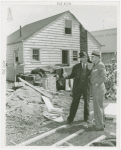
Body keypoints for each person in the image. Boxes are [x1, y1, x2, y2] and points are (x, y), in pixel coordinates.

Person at [63, 51, 93, 124]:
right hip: (77, 87)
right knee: (74, 102)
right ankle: (70, 119)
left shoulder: (91, 65)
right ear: (80, 59)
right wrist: (66, 76)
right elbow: (72, 75)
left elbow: (94, 75)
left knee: (87, 103)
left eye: (86, 57)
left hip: (87, 87)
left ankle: (87, 118)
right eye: (83, 57)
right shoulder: (76, 67)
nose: (85, 59)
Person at [90, 50, 107, 131]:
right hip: (96, 90)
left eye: (92, 57)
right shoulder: (95, 65)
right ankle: (100, 123)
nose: (91, 58)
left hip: (98, 90)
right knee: (99, 107)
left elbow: (103, 77)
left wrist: (97, 84)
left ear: (97, 57)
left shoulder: (100, 65)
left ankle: (99, 126)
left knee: (98, 108)